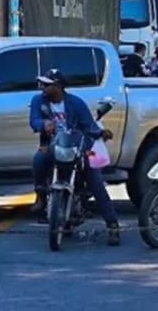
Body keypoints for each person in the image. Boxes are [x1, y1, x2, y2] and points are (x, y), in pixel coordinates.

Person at [28, 69, 120, 246]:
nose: (43, 87)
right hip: (52, 146)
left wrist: (102, 133)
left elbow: (89, 126)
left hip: (77, 147)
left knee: (95, 179)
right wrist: (43, 124)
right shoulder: (38, 101)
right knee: (39, 159)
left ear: (59, 87)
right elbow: (34, 121)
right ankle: (40, 196)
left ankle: (112, 225)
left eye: (48, 84)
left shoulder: (76, 104)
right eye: (43, 84)